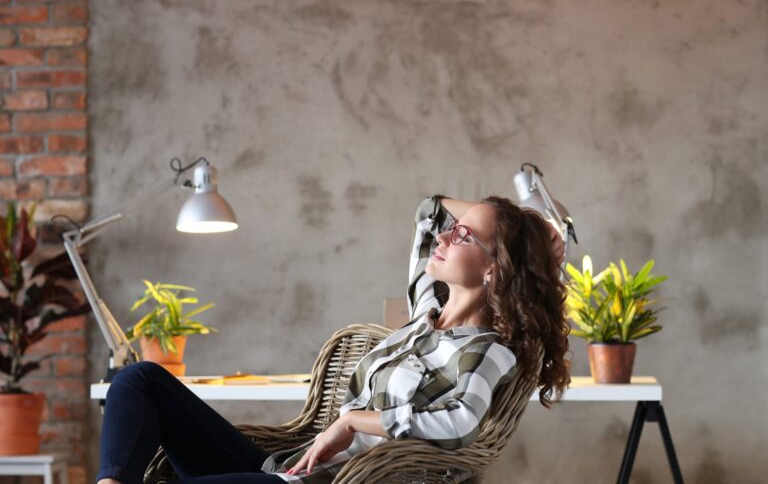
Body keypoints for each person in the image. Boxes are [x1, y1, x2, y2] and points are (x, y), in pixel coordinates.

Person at [96, 194, 570, 484]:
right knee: (139, 379)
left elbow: (459, 422)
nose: (445, 238)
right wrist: (528, 224)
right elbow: (430, 208)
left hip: (319, 481)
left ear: (494, 269)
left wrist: (354, 422)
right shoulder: (424, 313)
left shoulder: (486, 349)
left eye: (463, 237)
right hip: (280, 465)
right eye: (454, 230)